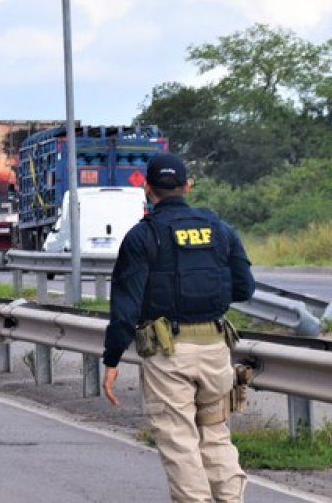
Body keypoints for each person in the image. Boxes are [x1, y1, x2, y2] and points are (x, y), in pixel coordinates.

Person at [101, 153, 255, 502]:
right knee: (214, 433)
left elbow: (125, 309)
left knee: (179, 439)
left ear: (146, 187)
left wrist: (111, 360)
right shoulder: (219, 228)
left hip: (168, 355)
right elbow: (245, 288)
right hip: (217, 350)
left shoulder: (143, 236)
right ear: (188, 186)